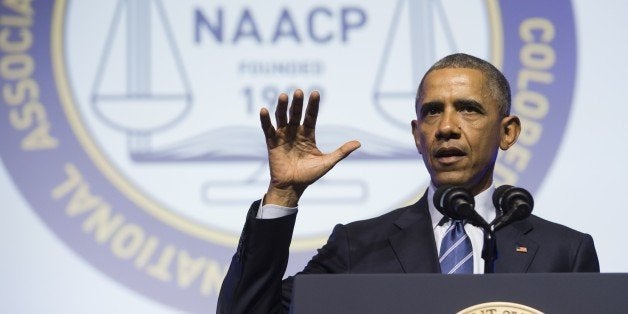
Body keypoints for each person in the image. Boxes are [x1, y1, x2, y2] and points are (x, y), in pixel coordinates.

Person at [217, 53, 599, 313]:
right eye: (433, 112)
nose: (447, 127)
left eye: (468, 109)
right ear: (418, 135)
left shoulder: (565, 252)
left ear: (508, 131)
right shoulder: (357, 247)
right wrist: (283, 194)